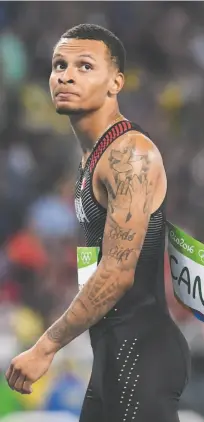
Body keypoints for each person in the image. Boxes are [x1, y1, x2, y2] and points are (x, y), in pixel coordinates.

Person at [6, 24, 191, 421]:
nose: (66, 75)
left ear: (116, 82)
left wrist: (45, 347)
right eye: (59, 65)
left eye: (85, 66)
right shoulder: (92, 158)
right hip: (114, 358)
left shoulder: (131, 154)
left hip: (142, 358)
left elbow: (117, 273)